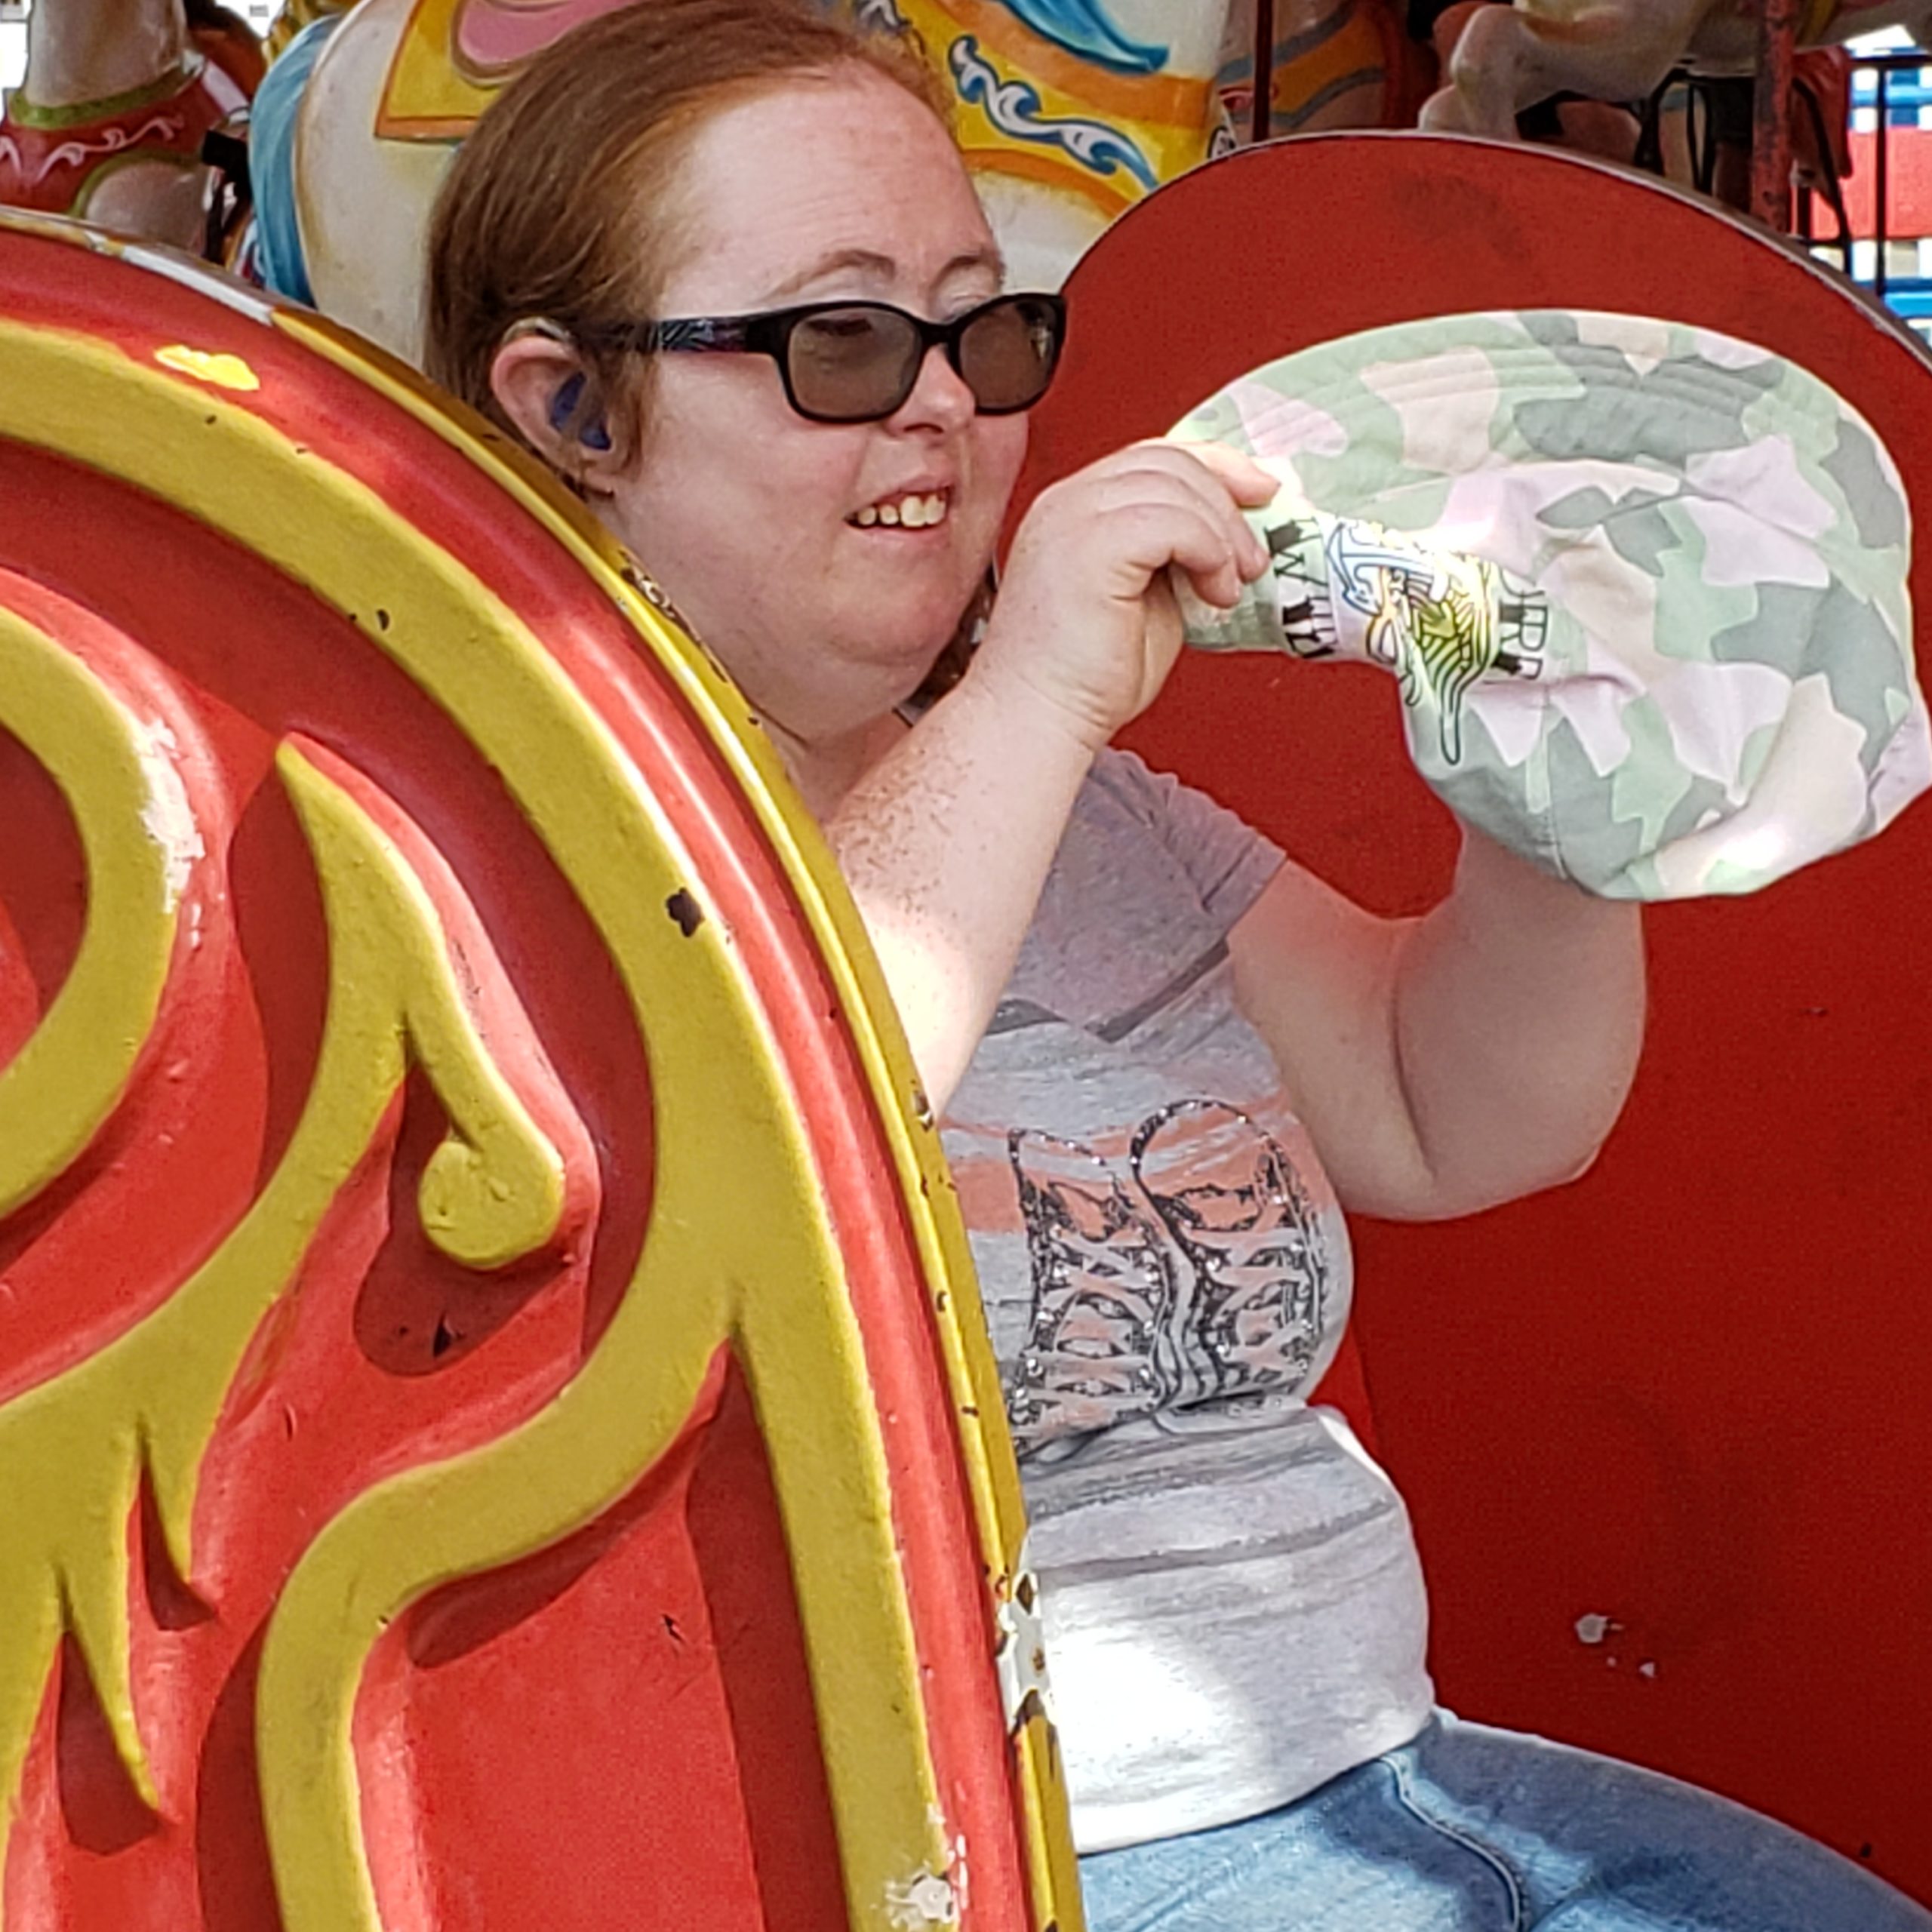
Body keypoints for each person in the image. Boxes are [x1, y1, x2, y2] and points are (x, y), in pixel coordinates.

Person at [423, 5, 1931, 1925]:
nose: (945, 407)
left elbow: (1451, 1115)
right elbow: (776, 1135)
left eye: (981, 327)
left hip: (1379, 1764)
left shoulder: (1102, 818)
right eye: (839, 339)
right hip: (973, 1853)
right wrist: (1035, 682)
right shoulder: (486, 850)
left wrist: (1553, 791)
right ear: (572, 411)